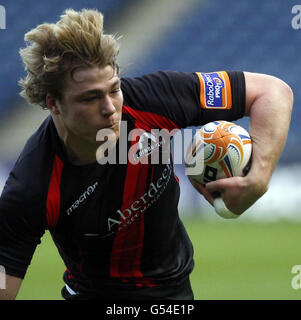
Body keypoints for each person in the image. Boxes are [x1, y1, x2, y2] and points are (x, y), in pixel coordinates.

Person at [0, 9, 293, 300]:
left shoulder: (155, 99)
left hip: (175, 296)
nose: (109, 108)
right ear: (54, 103)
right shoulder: (32, 185)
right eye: (90, 98)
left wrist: (259, 178)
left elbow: (272, 91)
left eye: (114, 89)